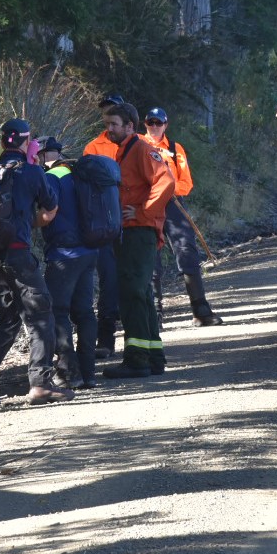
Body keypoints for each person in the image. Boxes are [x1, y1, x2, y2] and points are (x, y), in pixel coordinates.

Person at [0, 119, 72, 407]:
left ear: (1, 143)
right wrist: (24, 223)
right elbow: (50, 212)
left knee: (9, 319)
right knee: (41, 312)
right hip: (19, 254)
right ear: (27, 143)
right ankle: (41, 383)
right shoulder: (33, 172)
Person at [101, 103, 176, 378]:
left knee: (131, 292)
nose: (109, 129)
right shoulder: (125, 151)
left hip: (138, 232)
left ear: (130, 126)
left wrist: (144, 211)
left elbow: (166, 182)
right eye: (107, 124)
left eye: (114, 124)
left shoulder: (142, 150)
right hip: (132, 231)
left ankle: (136, 360)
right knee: (141, 293)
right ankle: (153, 356)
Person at [141, 107, 224, 327]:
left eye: (159, 123)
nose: (155, 126)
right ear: (145, 124)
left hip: (173, 202)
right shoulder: (138, 145)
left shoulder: (175, 149)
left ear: (166, 125)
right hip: (147, 203)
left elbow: (186, 183)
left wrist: (168, 186)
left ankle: (201, 310)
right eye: (151, 122)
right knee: (151, 253)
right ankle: (154, 314)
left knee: (187, 249)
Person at [39, 136, 100, 390]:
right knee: (84, 312)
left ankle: (68, 372)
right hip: (89, 251)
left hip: (64, 254)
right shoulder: (77, 173)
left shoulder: (52, 178)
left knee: (58, 311)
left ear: (43, 156)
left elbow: (47, 214)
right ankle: (89, 373)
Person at [85, 93, 126, 357]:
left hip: (134, 222)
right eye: (105, 113)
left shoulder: (139, 145)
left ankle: (143, 333)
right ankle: (105, 339)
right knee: (109, 280)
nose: (108, 119)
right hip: (107, 223)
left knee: (137, 278)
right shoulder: (93, 147)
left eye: (113, 113)